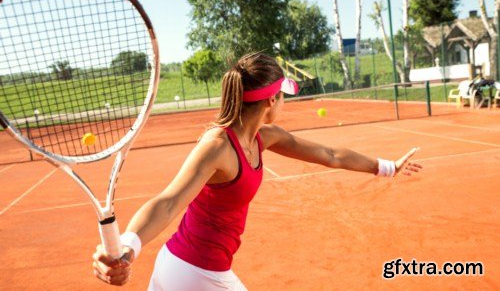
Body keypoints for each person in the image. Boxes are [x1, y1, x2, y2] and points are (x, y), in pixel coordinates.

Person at [92, 52, 422, 290]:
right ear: (269, 100)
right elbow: (168, 202)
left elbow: (330, 154)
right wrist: (128, 248)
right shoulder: (218, 144)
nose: (284, 104)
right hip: (197, 273)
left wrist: (387, 167)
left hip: (183, 268)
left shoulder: (264, 138)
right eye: (282, 97)